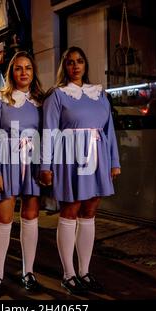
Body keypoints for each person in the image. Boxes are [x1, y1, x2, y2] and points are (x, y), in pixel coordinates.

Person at [40, 46, 121, 295]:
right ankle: (68, 274)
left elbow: (109, 131)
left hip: (97, 157)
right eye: (70, 62)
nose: (75, 66)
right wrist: (45, 165)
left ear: (85, 65)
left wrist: (114, 162)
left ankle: (84, 271)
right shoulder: (57, 95)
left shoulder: (99, 94)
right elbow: (49, 131)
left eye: (79, 62)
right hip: (69, 157)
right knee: (70, 210)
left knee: (90, 210)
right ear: (64, 67)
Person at [0, 51, 44, 298]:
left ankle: (28, 272)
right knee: (4, 219)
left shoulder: (40, 100)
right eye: (18, 68)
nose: (24, 72)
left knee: (30, 217)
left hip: (33, 161)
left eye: (28, 68)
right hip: (6, 162)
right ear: (11, 72)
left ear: (33, 72)